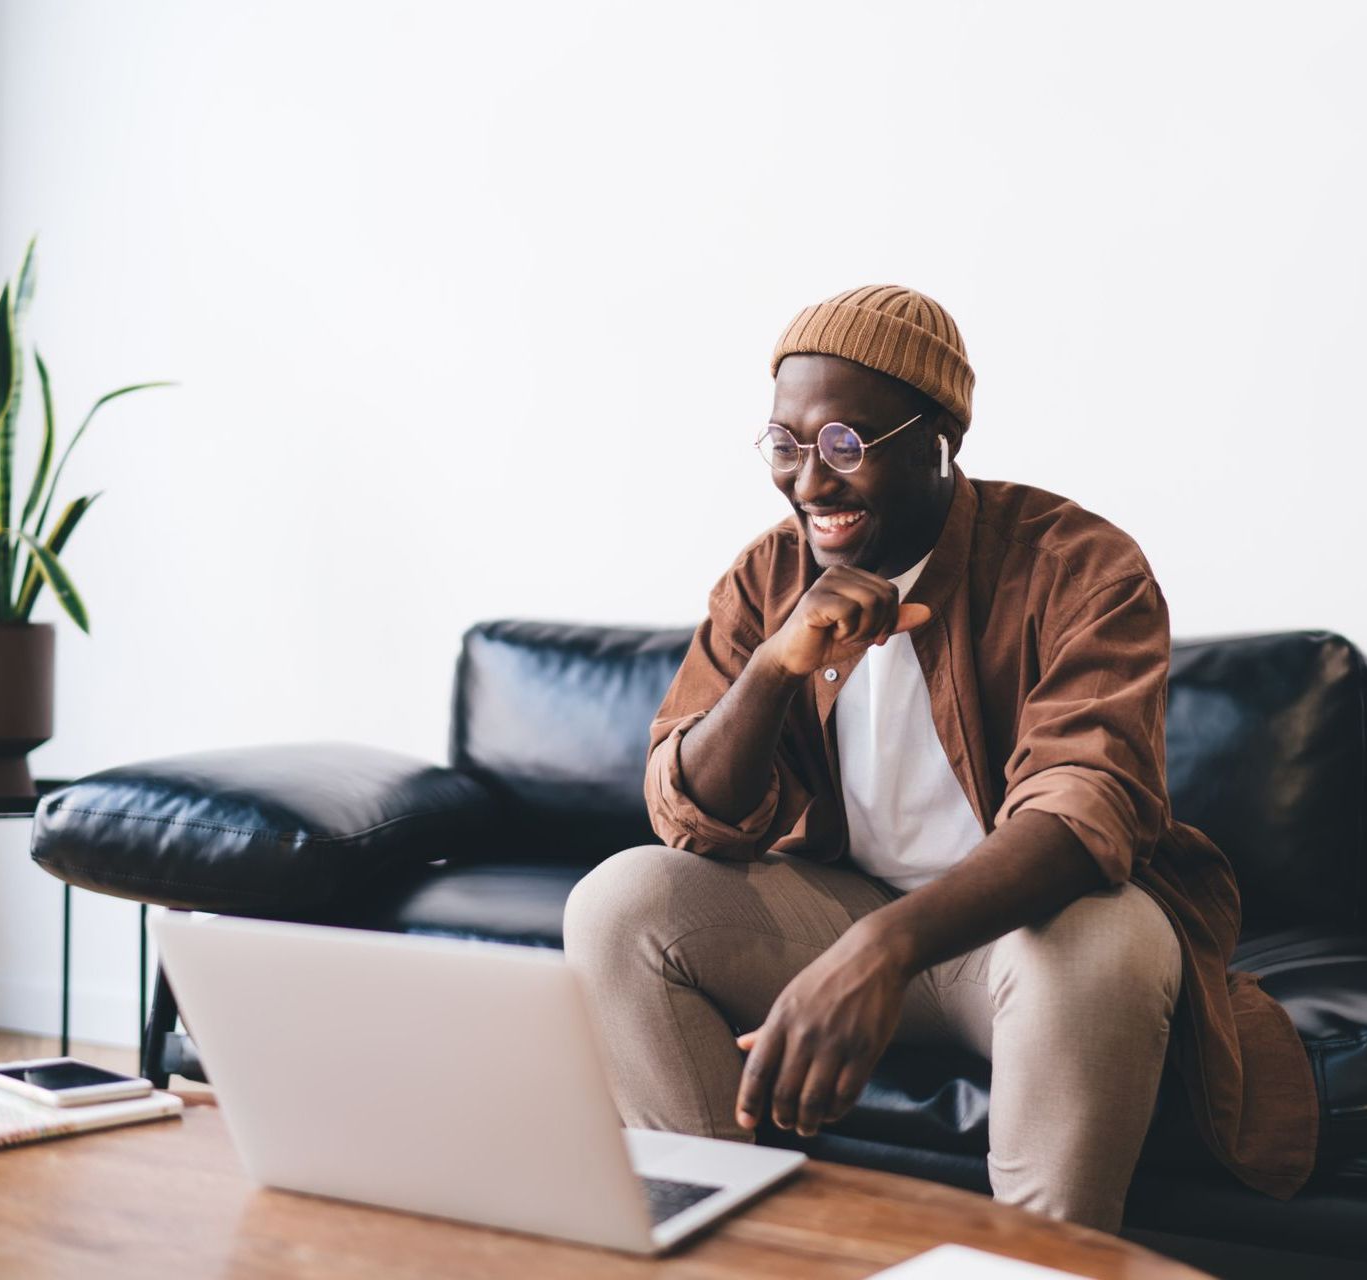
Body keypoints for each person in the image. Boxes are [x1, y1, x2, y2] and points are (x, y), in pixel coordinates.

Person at [562, 284, 1318, 1233]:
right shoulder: (767, 577)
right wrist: (772, 669)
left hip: (1023, 935)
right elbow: (688, 815)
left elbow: (1086, 807)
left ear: (937, 443)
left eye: (846, 445)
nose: (810, 481)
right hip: (840, 903)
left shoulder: (1078, 565)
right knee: (618, 904)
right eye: (788, 444)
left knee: (1104, 937)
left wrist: (881, 950)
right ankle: (729, 1248)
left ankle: (1043, 1259)